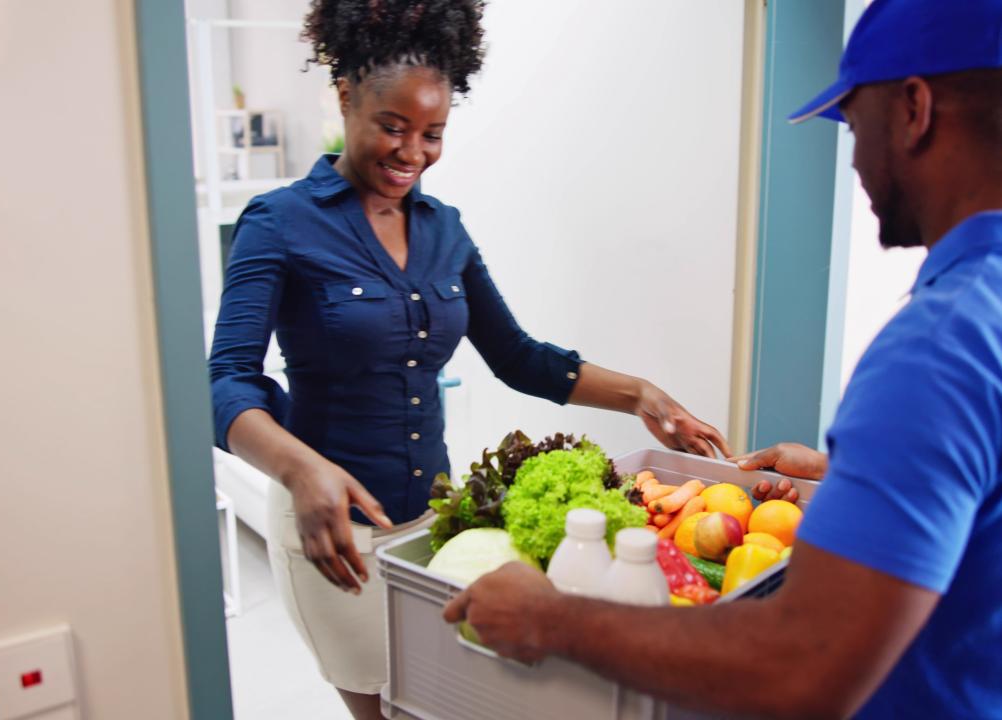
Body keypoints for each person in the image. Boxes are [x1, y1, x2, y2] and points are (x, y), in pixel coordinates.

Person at [444, 0, 1002, 716]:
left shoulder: (937, 345)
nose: (855, 159)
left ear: (914, 109)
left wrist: (549, 619)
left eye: (854, 124)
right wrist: (853, 479)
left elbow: (797, 669)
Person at [208, 1, 730, 717]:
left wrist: (643, 395)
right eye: (392, 127)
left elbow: (518, 357)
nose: (412, 153)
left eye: (433, 134)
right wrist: (303, 470)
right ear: (345, 97)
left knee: (441, 702)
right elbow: (225, 382)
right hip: (335, 534)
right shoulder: (280, 223)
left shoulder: (444, 230)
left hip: (433, 528)